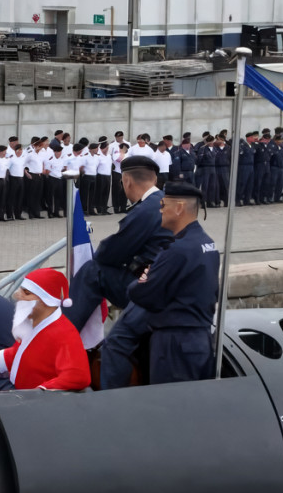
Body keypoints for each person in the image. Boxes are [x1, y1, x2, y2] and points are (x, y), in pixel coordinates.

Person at [67, 156, 173, 390]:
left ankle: (64, 334)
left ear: (127, 182)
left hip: (150, 291)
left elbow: (109, 254)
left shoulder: (146, 210)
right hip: (167, 288)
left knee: (93, 271)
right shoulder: (166, 203)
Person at [126, 181, 220, 383]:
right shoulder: (207, 243)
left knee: (173, 408)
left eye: (163, 206)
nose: (160, 211)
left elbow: (143, 294)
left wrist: (140, 281)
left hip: (175, 344)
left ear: (178, 208)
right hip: (199, 340)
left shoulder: (177, 250)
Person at [0, 268, 91, 391]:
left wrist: (40, 391)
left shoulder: (65, 334)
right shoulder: (33, 323)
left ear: (46, 301)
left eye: (27, 293)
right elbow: (21, 353)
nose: (19, 297)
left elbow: (78, 376)